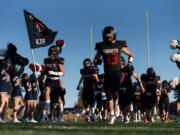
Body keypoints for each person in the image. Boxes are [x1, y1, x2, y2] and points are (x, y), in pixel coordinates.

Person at [93, 26, 134, 124]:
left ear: (113, 36)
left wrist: (129, 64)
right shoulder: (101, 46)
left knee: (115, 92)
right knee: (108, 95)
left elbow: (131, 55)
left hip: (117, 72)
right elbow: (95, 60)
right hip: (107, 73)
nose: (107, 39)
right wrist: (97, 61)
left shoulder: (119, 45)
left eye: (109, 37)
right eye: (106, 37)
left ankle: (116, 105)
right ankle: (112, 115)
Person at [118, 56, 143, 123]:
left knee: (127, 103)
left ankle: (130, 108)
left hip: (129, 88)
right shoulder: (117, 70)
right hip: (121, 88)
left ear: (122, 62)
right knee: (122, 105)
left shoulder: (128, 68)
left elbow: (137, 77)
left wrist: (141, 86)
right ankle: (126, 117)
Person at [44, 45, 65, 122]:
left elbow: (63, 73)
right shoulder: (46, 60)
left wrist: (54, 72)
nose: (52, 53)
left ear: (56, 52)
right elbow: (45, 71)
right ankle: (48, 112)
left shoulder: (59, 61)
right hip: (49, 80)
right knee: (47, 92)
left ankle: (60, 115)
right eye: (51, 51)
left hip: (56, 81)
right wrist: (40, 72)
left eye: (53, 51)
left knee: (58, 98)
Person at [77, 58, 99, 123]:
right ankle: (87, 110)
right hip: (85, 87)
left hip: (91, 88)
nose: (86, 65)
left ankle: (92, 116)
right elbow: (82, 77)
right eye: (85, 63)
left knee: (92, 103)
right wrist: (78, 85)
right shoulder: (83, 71)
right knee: (84, 101)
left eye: (87, 63)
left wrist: (94, 76)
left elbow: (97, 80)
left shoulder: (93, 70)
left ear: (90, 64)